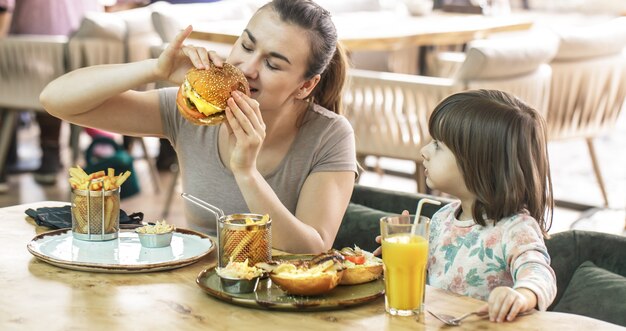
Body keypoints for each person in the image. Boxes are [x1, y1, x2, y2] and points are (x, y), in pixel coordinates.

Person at [40, 0, 357, 253]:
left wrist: (246, 172)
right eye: (246, 46)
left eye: (273, 64)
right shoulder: (195, 111)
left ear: (305, 86)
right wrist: (154, 68)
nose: (247, 69)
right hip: (196, 287)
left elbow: (312, 247)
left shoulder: (330, 135)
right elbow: (55, 99)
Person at [375, 90, 556, 322]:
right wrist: (397, 254)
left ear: (479, 162)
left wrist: (521, 295)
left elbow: (540, 274)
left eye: (438, 145)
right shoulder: (441, 219)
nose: (425, 151)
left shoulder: (515, 229)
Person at [0, 0, 103, 190]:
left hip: (31, 57)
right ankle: (52, 154)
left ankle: (48, 153)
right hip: (88, 56)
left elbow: (3, 8)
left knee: (33, 75)